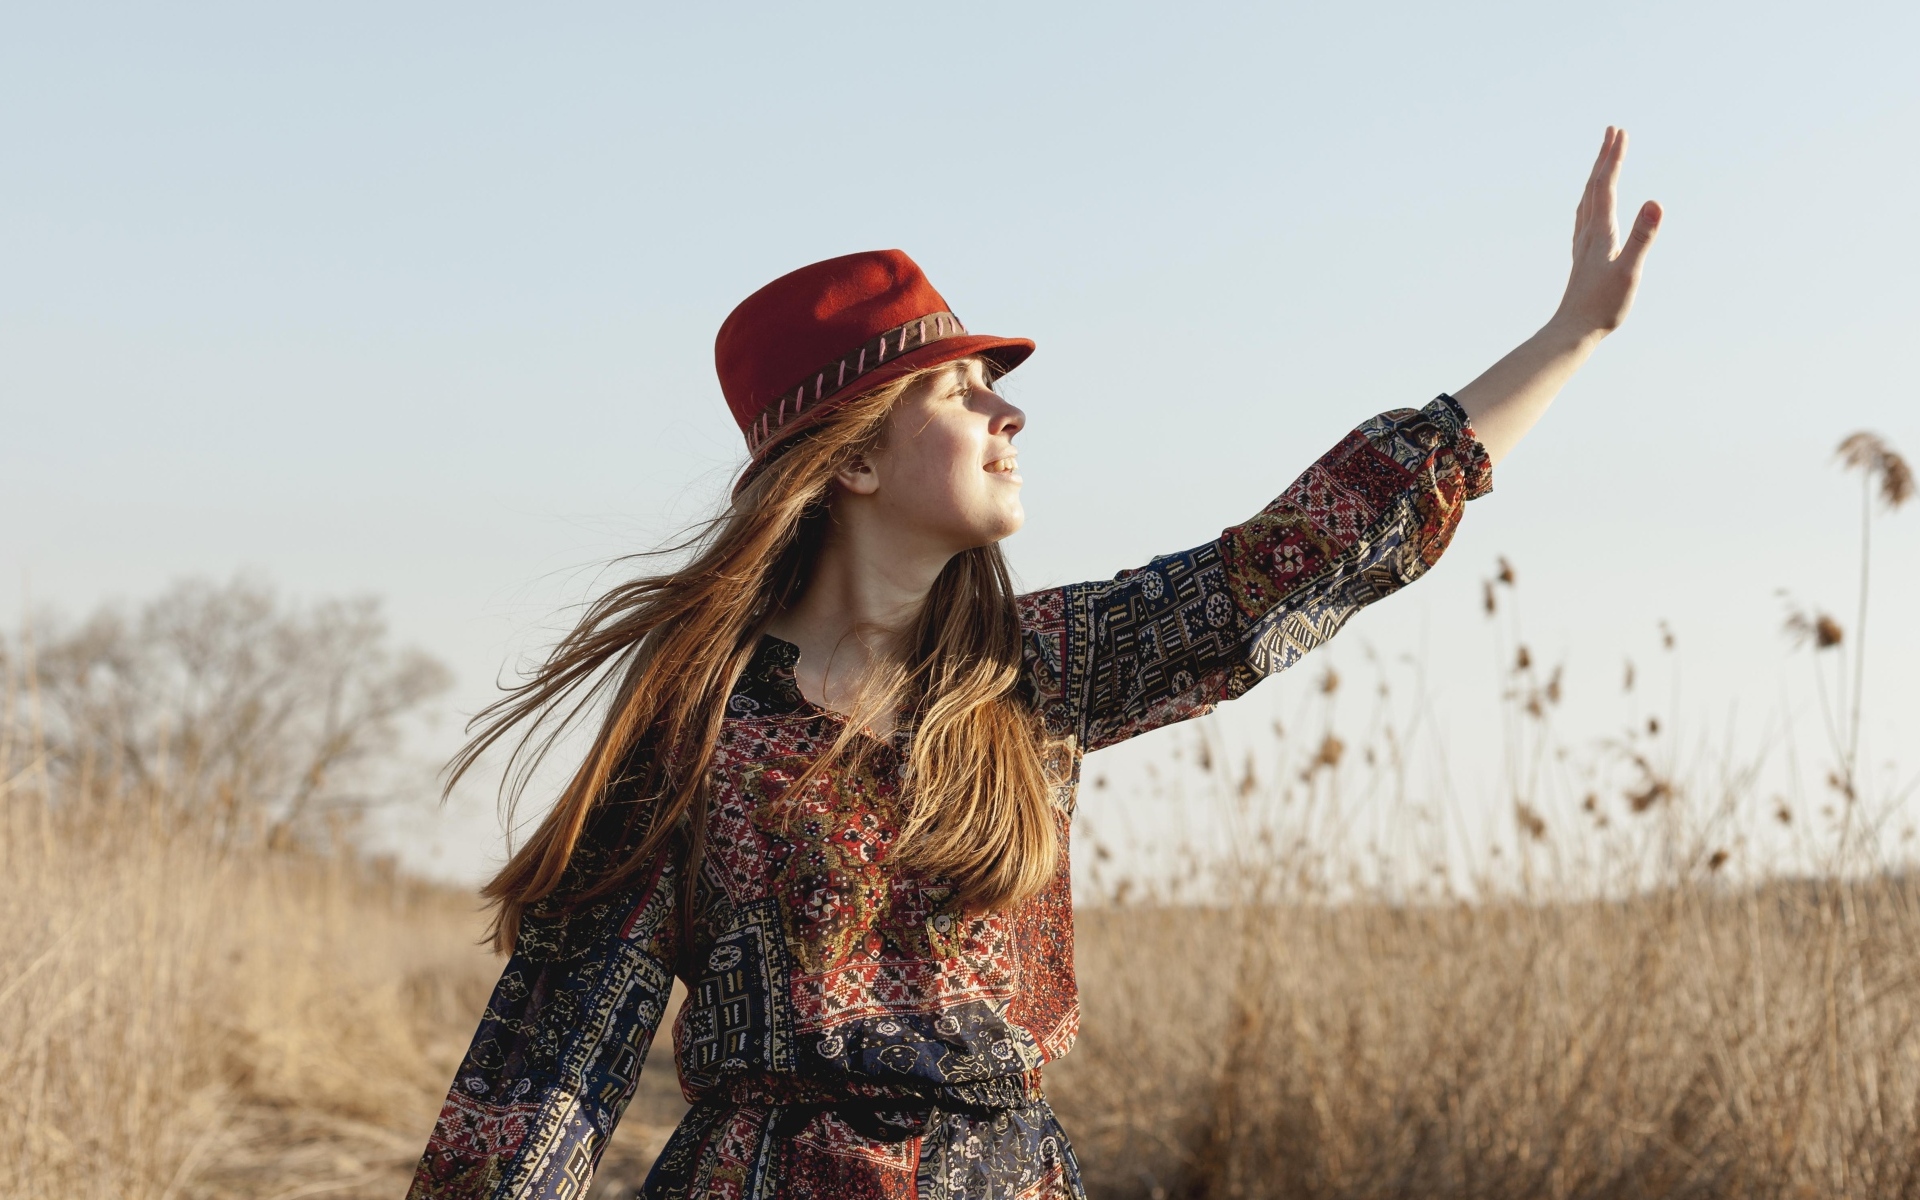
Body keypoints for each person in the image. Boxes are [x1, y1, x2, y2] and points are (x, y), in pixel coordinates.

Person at [408, 127, 1661, 1199]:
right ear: (848, 461)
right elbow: (546, 1075)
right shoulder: (696, 728)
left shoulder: (1035, 670)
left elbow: (1305, 556)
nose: (1010, 415)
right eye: (960, 395)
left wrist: (1571, 338)